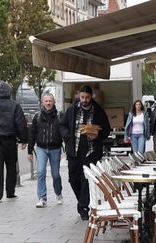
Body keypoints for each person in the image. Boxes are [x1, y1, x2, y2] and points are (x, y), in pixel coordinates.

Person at [60, 85, 110, 220]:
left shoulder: (98, 111)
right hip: (74, 151)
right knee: (73, 179)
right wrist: (67, 136)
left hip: (91, 152)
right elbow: (62, 125)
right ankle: (81, 201)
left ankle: (83, 207)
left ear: (91, 96)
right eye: (82, 97)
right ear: (78, 96)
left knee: (86, 180)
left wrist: (97, 136)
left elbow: (107, 129)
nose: (84, 100)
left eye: (87, 97)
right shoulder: (72, 110)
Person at [28, 93, 63, 208]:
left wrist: (68, 148)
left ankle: (58, 193)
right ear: (42, 103)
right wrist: (29, 151)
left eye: (50, 101)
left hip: (55, 148)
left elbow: (64, 133)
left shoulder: (59, 116)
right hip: (41, 148)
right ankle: (42, 198)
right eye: (46, 101)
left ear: (53, 102)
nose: (48, 103)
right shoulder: (37, 117)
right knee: (41, 172)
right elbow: (32, 134)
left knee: (55, 174)